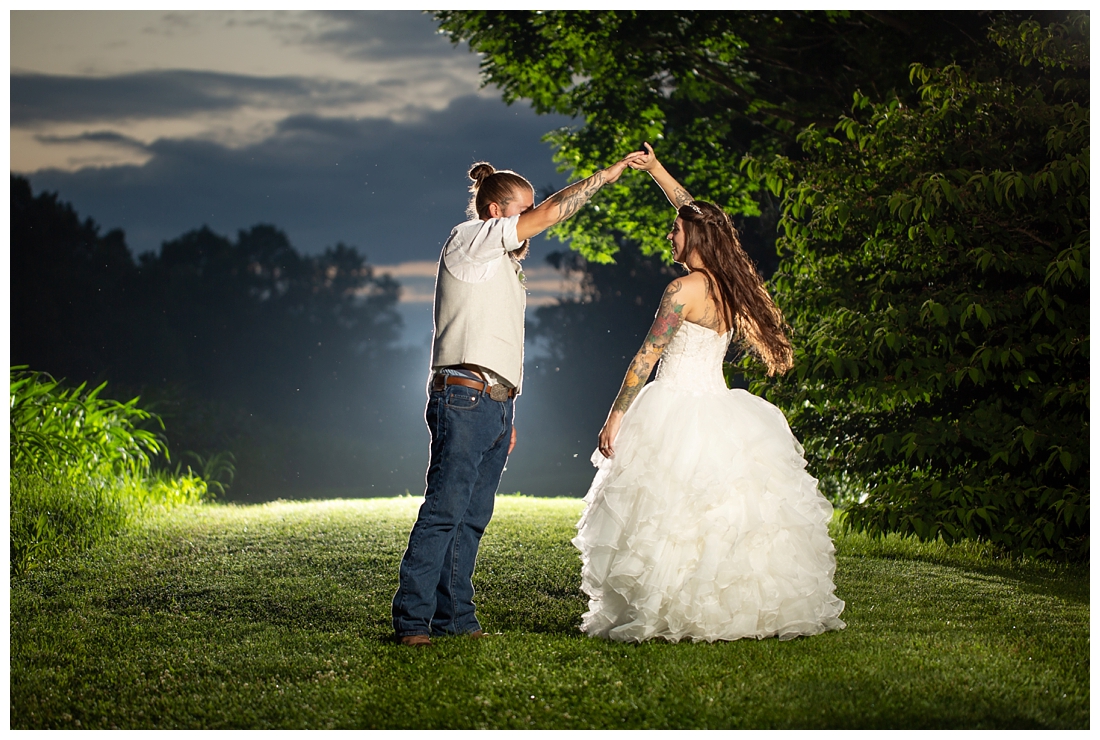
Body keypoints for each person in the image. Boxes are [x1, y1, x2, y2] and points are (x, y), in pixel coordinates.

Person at [572, 144, 847, 643]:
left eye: (674, 230)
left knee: (668, 514)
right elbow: (695, 213)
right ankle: (733, 609)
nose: (668, 233)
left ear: (692, 237)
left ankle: (669, 609)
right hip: (718, 405)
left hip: (673, 405)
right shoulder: (726, 284)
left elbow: (645, 359)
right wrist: (657, 170)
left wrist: (614, 417)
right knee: (719, 514)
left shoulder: (682, 290)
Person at [393, 151, 645, 647]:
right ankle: (412, 621)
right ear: (494, 212)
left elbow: (502, 340)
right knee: (445, 510)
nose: (529, 223)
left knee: (472, 518)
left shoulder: (502, 265)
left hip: (493, 401)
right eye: (521, 212)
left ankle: (455, 618)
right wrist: (609, 175)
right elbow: (552, 212)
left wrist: (506, 413)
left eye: (530, 211)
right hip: (463, 395)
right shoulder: (469, 242)